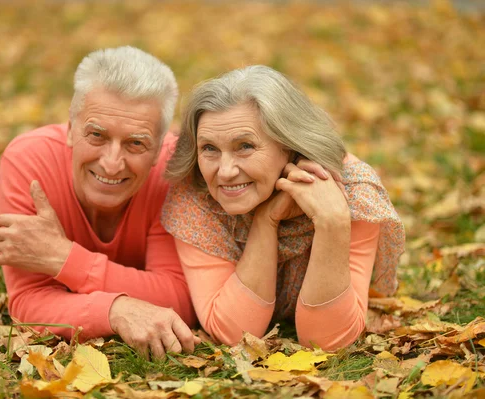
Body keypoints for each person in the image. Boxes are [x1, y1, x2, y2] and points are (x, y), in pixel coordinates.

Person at [161, 65, 405, 351]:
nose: (225, 171)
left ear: (289, 145)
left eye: (245, 146)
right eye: (210, 148)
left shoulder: (353, 192)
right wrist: (267, 221)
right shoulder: (197, 195)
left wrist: (332, 222)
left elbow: (329, 341)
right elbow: (232, 332)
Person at [0, 46, 197, 359]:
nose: (112, 163)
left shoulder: (173, 169)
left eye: (136, 143)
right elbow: (29, 301)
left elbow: (181, 297)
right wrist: (115, 310)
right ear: (71, 130)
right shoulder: (29, 162)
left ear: (158, 150)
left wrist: (63, 259)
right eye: (97, 135)